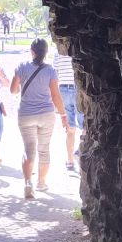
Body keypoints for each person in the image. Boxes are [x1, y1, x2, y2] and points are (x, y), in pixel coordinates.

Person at [11, 38, 68, 200]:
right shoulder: (50, 70)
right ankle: (41, 182)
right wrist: (63, 115)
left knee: (28, 149)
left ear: (32, 51)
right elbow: (56, 96)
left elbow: (13, 90)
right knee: (44, 149)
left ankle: (28, 183)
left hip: (26, 114)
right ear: (46, 53)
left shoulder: (21, 67)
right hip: (46, 115)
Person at [52, 43, 81, 171]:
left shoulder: (57, 53)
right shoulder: (77, 48)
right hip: (77, 87)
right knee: (84, 124)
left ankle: (70, 161)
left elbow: (56, 73)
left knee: (70, 128)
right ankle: (81, 153)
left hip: (63, 89)